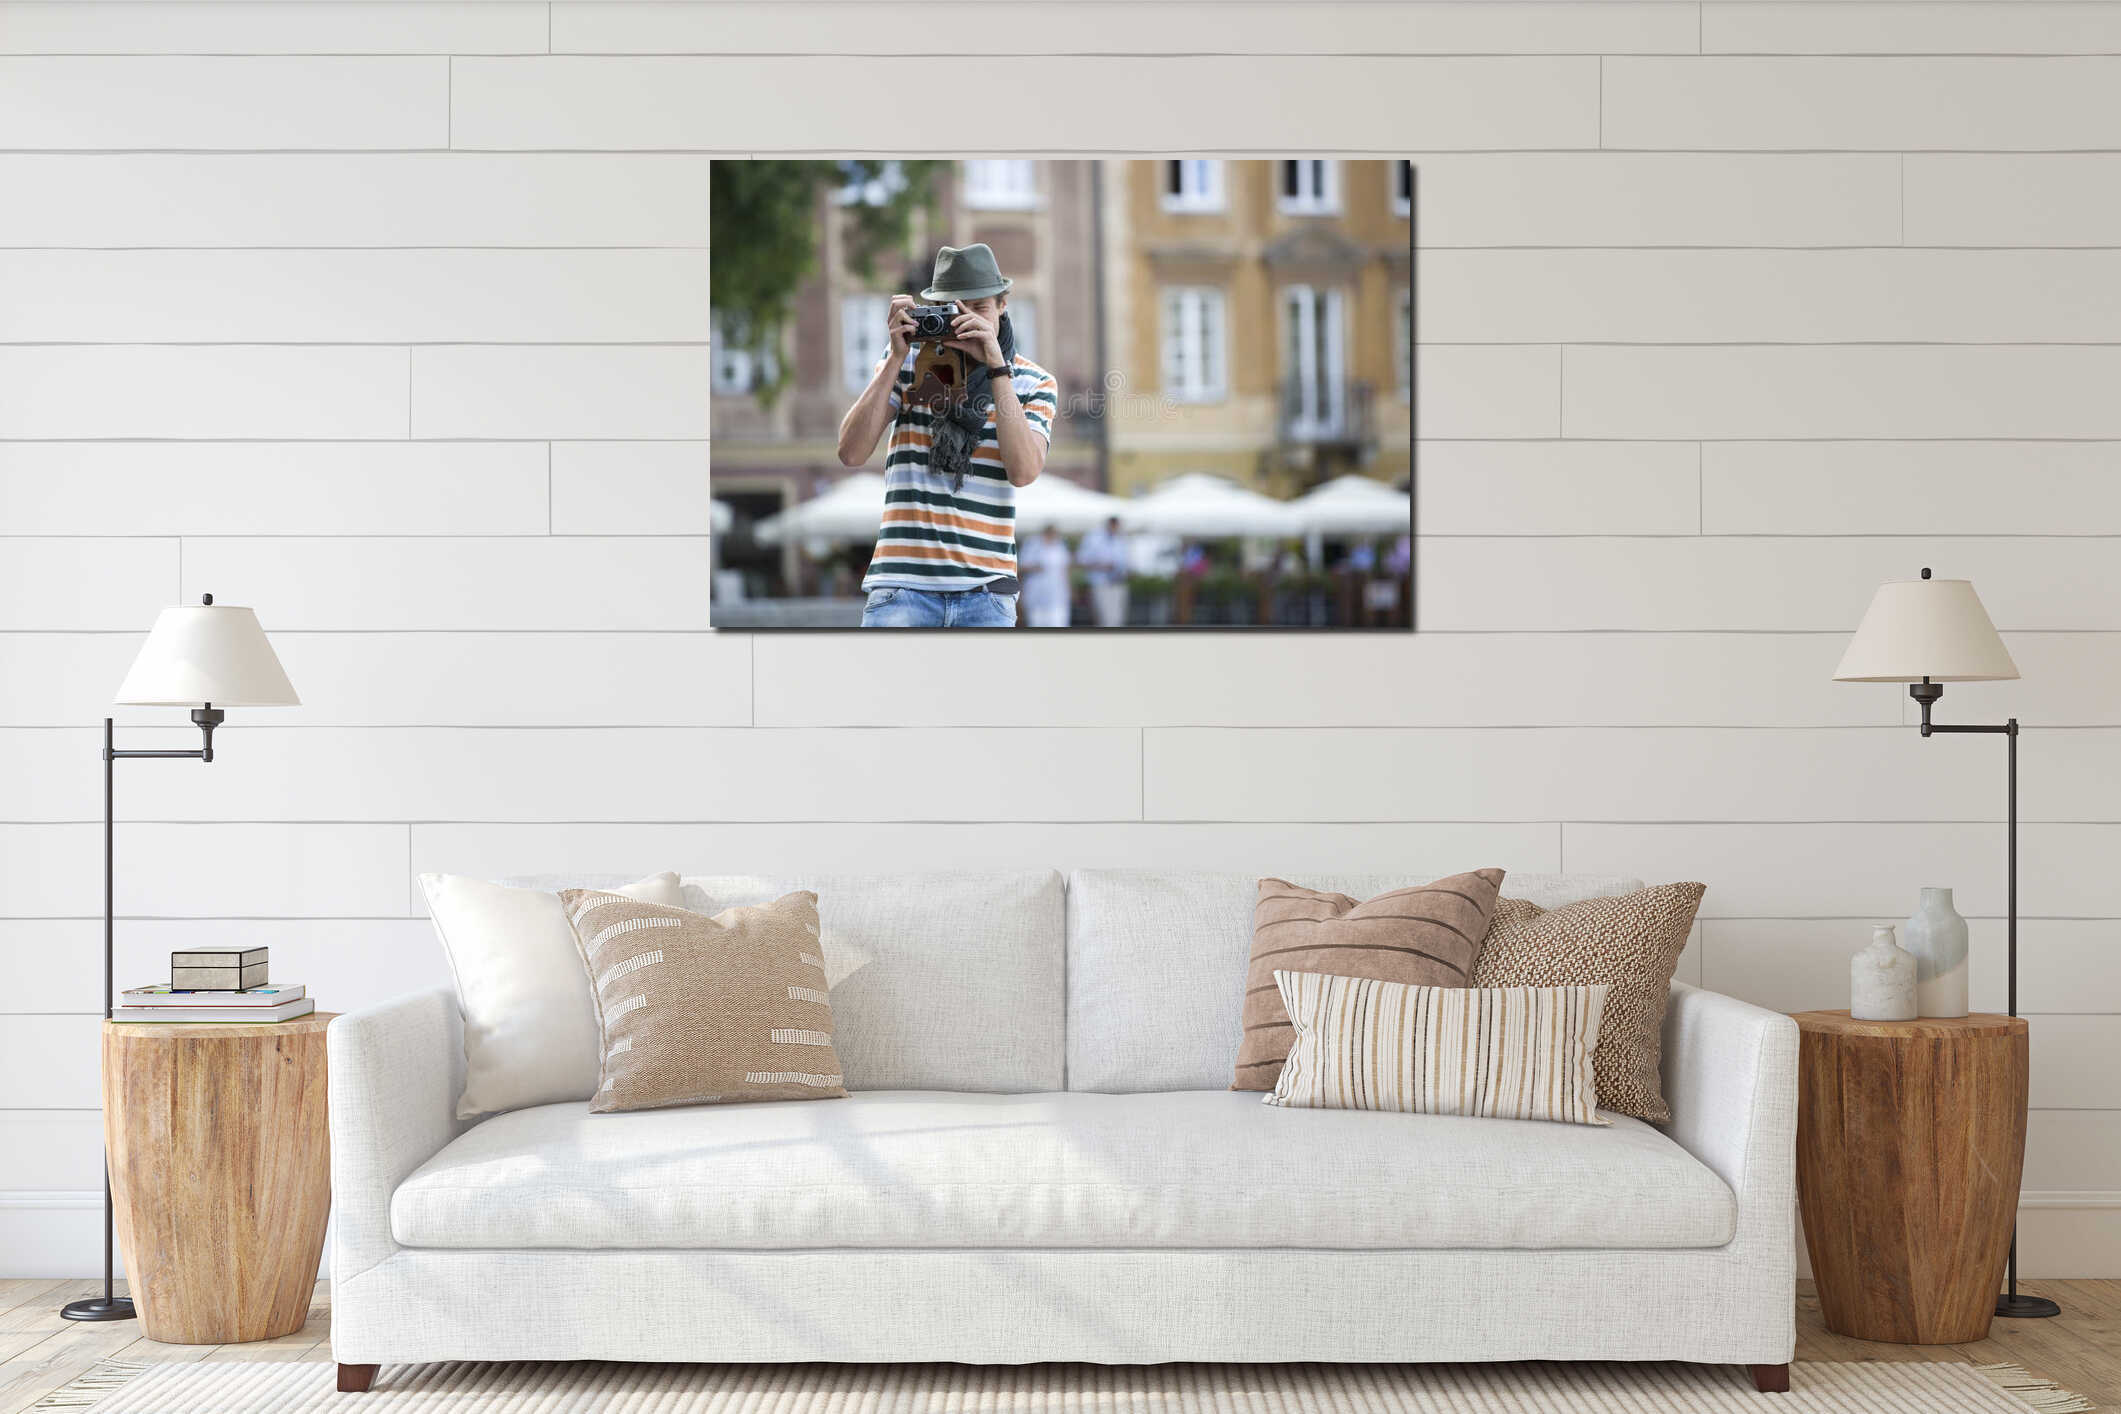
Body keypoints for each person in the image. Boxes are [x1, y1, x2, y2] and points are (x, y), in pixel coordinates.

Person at [835, 243, 1059, 628]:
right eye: (956, 309)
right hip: (902, 588)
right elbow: (851, 453)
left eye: (980, 308)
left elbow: (1023, 471)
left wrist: (996, 366)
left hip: (986, 594)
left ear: (1003, 305)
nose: (966, 320)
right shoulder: (906, 364)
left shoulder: (1034, 382)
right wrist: (893, 357)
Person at [1075, 515, 1130, 627]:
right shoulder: (1093, 539)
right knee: (1104, 618)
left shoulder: (1121, 540)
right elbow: (1081, 560)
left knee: (1117, 619)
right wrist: (1101, 566)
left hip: (1118, 583)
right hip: (1101, 583)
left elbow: (1125, 562)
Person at [1020, 524, 1073, 628]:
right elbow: (1022, 566)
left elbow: (1065, 569)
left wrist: (1069, 588)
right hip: (1037, 593)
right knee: (1037, 623)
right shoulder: (1032, 544)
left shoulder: (1060, 546)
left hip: (1057, 594)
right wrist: (1037, 567)